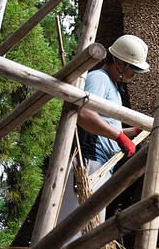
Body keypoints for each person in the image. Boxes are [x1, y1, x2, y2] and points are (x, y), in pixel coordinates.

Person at [62, 35, 150, 225]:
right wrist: (119, 137)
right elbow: (84, 114)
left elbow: (107, 127)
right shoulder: (99, 78)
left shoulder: (113, 88)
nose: (133, 76)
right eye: (133, 70)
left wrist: (133, 131)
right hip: (88, 162)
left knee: (90, 226)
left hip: (102, 166)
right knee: (76, 228)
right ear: (120, 63)